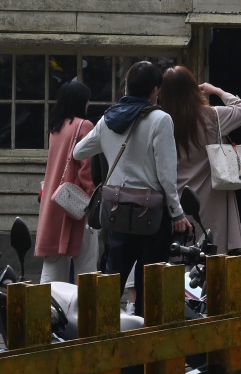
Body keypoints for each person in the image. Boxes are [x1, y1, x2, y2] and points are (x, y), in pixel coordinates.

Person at [73, 60, 193, 314]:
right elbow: (166, 173)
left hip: (115, 210)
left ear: (127, 86)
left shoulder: (107, 119)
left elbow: (78, 151)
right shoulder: (160, 119)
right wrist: (177, 213)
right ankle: (144, 329)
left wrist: (108, 147)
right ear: (154, 90)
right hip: (150, 213)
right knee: (150, 278)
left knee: (112, 274)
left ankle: (100, 329)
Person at [160, 66, 241, 255]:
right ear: (193, 88)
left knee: (182, 255)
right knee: (214, 254)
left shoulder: (161, 120)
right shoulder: (211, 116)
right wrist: (216, 91)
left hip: (177, 198)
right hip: (212, 196)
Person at [36, 78, 97, 282]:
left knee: (52, 263)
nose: (89, 103)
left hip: (54, 201)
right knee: (86, 264)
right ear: (80, 101)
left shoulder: (55, 128)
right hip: (76, 202)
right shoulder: (84, 126)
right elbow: (86, 169)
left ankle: (48, 308)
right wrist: (93, 198)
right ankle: (85, 310)